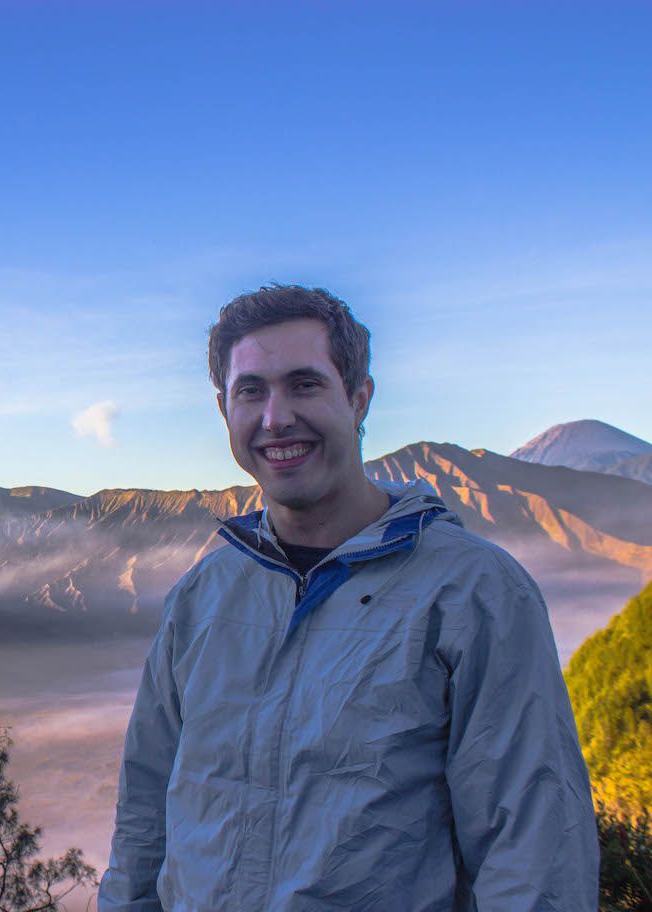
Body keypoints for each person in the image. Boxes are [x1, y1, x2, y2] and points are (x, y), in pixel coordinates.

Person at [98, 284, 597, 911]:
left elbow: (532, 852)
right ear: (224, 407)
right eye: (251, 390)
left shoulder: (473, 593)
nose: (275, 418)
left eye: (304, 384)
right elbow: (145, 816)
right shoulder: (204, 595)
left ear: (359, 398)